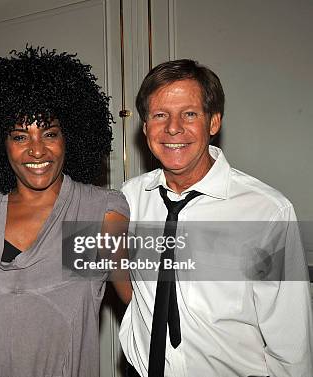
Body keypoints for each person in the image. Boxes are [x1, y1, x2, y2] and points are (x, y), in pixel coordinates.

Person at [119, 59, 313, 377]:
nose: (173, 128)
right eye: (159, 115)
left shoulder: (267, 212)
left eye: (190, 114)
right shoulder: (129, 199)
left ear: (214, 122)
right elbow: (102, 263)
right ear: (145, 128)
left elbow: (292, 347)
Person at [0, 47, 131, 377]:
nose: (37, 150)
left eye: (50, 133)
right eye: (20, 136)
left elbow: (141, 303)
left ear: (71, 138)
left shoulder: (95, 212)